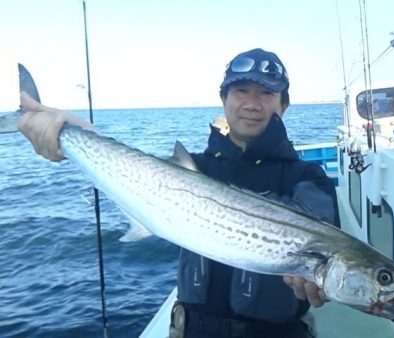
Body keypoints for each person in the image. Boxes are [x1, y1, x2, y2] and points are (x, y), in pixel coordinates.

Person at [18, 48, 340, 338]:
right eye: (241, 90)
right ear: (224, 99)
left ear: (284, 104)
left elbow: (323, 235)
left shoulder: (308, 178)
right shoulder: (192, 168)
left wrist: (314, 274)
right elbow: (128, 169)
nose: (253, 103)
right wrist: (73, 135)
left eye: (267, 93)